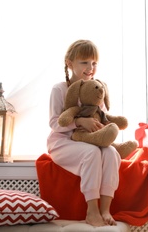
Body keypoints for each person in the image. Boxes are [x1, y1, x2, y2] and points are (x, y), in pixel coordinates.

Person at [47, 40, 121, 227]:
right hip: (62, 142)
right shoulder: (59, 89)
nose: (90, 68)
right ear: (69, 63)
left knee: (112, 153)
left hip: (89, 141)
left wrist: (103, 129)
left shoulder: (97, 89)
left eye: (94, 63)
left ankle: (105, 209)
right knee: (92, 153)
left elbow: (102, 117)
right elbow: (55, 123)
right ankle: (92, 211)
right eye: (84, 62)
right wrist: (79, 121)